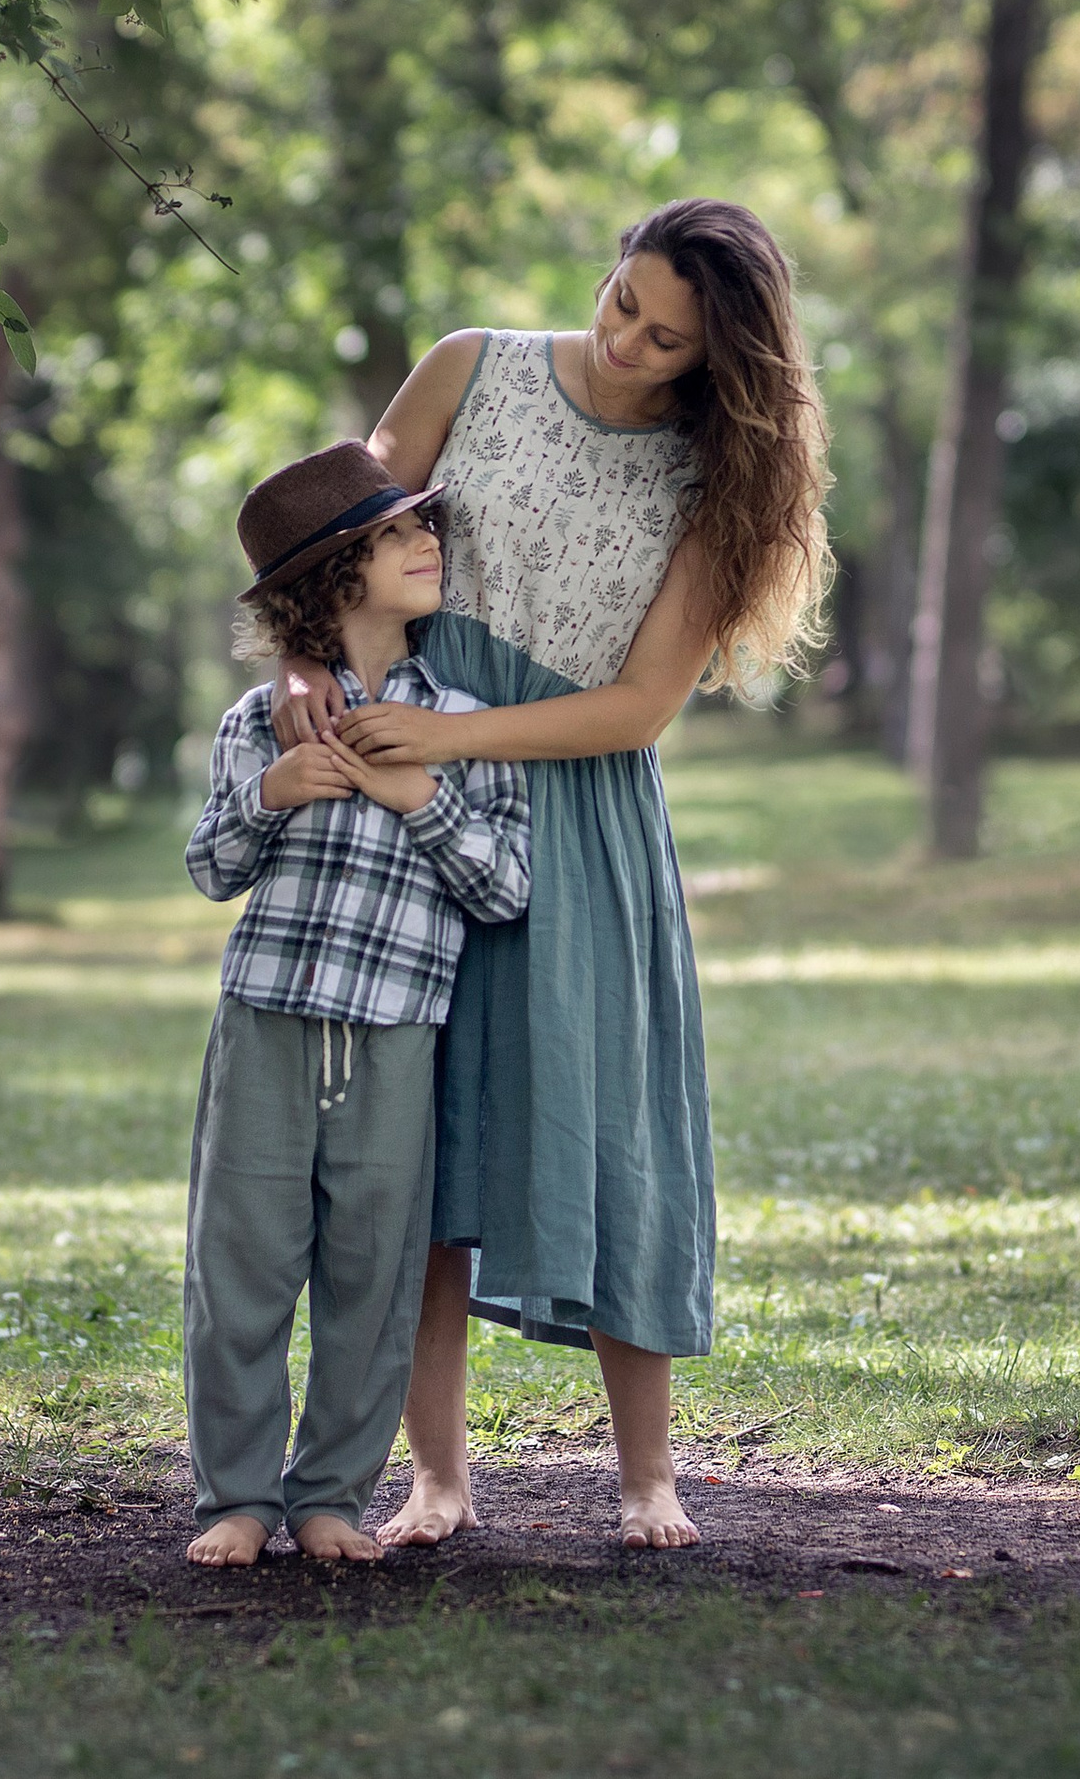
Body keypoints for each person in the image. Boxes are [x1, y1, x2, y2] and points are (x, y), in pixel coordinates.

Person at [274, 199, 830, 1549]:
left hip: (575, 815)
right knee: (415, 1143)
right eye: (623, 301)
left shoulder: (714, 484)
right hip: (403, 798)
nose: (628, 339)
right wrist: (304, 670)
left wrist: (459, 735)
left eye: (668, 337)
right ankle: (437, 1479)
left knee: (609, 1127)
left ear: (719, 358)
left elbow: (640, 707)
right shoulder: (469, 364)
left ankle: (648, 1478)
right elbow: (328, 550)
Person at [180, 441, 532, 1567]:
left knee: (373, 1275)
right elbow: (209, 868)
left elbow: (505, 888)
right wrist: (272, 796)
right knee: (239, 1265)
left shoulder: (467, 726)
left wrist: (417, 795)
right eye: (394, 535)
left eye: (422, 527)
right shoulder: (258, 721)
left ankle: (330, 1493)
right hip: (267, 1019)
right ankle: (234, 1498)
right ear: (330, 578)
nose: (427, 542)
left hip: (395, 1034)